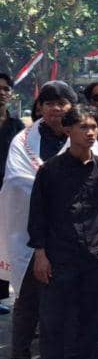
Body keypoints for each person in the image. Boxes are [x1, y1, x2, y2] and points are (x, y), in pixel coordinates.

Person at [0, 81, 98, 359]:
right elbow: (18, 181)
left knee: (71, 306)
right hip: (31, 234)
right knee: (27, 300)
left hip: (76, 239)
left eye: (63, 103)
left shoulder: (90, 139)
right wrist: (49, 183)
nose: (56, 109)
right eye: (49, 103)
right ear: (40, 108)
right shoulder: (22, 140)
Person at [28, 104, 98, 359]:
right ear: (68, 130)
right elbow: (38, 215)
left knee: (91, 319)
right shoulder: (50, 171)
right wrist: (40, 253)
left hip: (94, 256)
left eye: (94, 127)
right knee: (53, 319)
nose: (91, 133)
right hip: (57, 256)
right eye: (83, 127)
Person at [0, 72, 24, 312]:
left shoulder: (17, 126)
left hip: (7, 193)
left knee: (3, 243)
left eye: (5, 88)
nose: (1, 92)